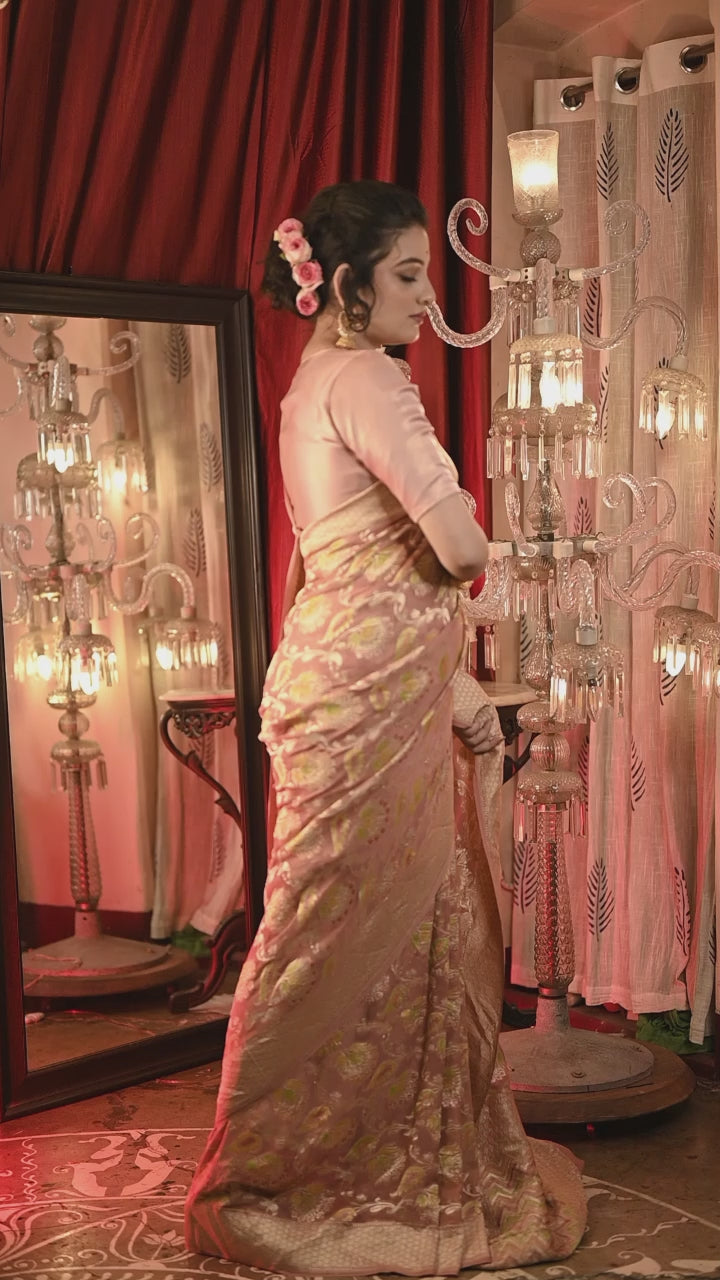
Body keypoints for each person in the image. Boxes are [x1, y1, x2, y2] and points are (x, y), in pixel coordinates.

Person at [185, 180, 586, 1275]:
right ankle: (350, 1167)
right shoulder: (368, 376)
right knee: (376, 932)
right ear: (346, 283)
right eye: (408, 274)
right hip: (372, 693)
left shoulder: (308, 384)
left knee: (320, 929)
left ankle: (305, 1160)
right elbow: (459, 549)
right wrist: (469, 521)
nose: (427, 297)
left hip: (333, 678)